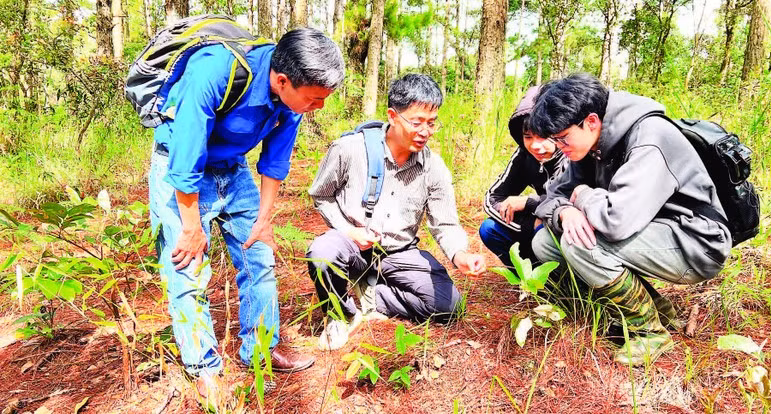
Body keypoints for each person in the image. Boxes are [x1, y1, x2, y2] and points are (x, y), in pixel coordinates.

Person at [149, 28, 344, 401]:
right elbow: (185, 159)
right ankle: (203, 368)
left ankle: (260, 350)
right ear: (282, 80)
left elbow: (274, 162)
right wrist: (191, 226)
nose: (319, 107)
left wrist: (264, 218)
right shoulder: (215, 72)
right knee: (187, 268)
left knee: (259, 256)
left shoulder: (291, 100)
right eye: (315, 100)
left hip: (233, 168)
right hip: (181, 172)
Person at [529, 73, 731, 365]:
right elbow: (553, 195)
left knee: (581, 244)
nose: (559, 147)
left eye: (562, 139)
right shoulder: (588, 143)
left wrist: (583, 196)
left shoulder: (650, 138)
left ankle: (648, 332)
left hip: (696, 240)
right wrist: (565, 211)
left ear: (592, 122)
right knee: (546, 242)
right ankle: (657, 309)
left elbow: (615, 221)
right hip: (653, 229)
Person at [306, 73, 486, 351]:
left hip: (400, 251)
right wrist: (348, 230)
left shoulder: (433, 167)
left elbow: (445, 223)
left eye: (431, 123)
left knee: (449, 305)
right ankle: (340, 315)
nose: (425, 131)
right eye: (416, 122)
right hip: (352, 242)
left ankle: (368, 297)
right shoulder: (350, 150)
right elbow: (322, 195)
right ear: (392, 115)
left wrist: (460, 254)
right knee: (322, 253)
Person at [479, 85, 567, 267]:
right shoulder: (524, 155)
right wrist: (532, 223)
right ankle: (530, 278)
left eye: (543, 136)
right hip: (539, 223)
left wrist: (529, 203)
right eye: (528, 136)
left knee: (546, 233)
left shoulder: (572, 154)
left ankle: (567, 285)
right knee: (489, 229)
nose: (535, 145)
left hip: (567, 229)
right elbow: (492, 198)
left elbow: (573, 203)